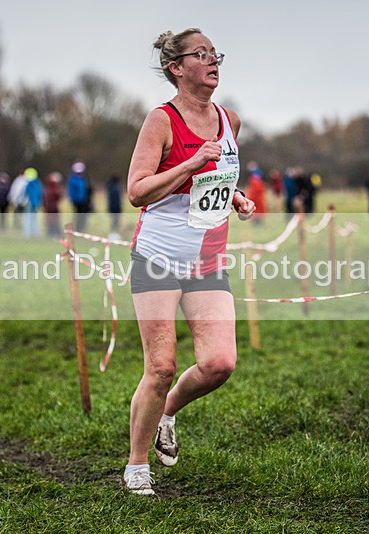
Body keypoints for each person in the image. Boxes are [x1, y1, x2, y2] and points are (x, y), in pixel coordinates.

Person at [122, 27, 255, 496]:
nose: (213, 61)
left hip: (208, 261)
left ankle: (167, 413)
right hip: (157, 257)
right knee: (160, 367)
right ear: (176, 68)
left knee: (219, 364)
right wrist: (189, 164)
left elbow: (215, 180)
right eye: (201, 54)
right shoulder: (161, 121)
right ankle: (137, 467)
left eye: (215, 53)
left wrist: (235, 198)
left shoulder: (229, 120)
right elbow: (137, 191)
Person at [67, 161, 91, 231]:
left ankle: (82, 227)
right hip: (76, 201)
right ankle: (78, 228)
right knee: (78, 214)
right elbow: (71, 191)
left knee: (83, 214)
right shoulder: (73, 180)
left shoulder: (83, 179)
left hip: (83, 200)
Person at [23, 167, 42, 239]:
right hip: (36, 203)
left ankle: (27, 234)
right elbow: (39, 195)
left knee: (28, 218)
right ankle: (34, 233)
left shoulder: (30, 184)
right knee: (34, 219)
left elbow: (27, 194)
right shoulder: (38, 184)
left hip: (31, 203)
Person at [42, 172, 63, 238]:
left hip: (51, 206)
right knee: (53, 221)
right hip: (51, 207)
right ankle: (53, 233)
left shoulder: (48, 188)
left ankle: (53, 233)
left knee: (53, 220)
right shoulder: (52, 188)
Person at [106, 174, 123, 238]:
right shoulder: (112, 187)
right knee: (114, 220)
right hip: (113, 207)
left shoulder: (117, 186)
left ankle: (115, 232)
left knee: (117, 221)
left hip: (117, 206)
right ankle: (112, 233)